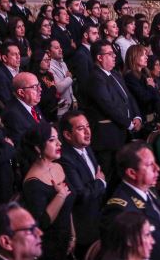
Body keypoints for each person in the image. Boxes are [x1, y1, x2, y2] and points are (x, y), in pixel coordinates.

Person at [101, 141, 160, 260]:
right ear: (132, 173)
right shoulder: (119, 209)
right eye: (150, 165)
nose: (157, 168)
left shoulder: (149, 190)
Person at [85, 40, 141, 180]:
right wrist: (128, 123)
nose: (114, 56)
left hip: (122, 133)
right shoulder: (95, 78)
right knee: (110, 178)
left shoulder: (115, 74)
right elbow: (108, 105)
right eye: (110, 54)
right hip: (108, 139)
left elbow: (129, 97)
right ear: (99, 57)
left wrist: (137, 117)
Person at [21, 122, 76, 260]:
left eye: (58, 138)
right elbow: (42, 223)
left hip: (65, 240)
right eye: (52, 140)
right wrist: (61, 195)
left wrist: (73, 235)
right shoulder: (32, 182)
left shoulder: (58, 167)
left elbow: (68, 209)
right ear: (38, 148)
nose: (59, 144)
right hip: (47, 247)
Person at [58, 111, 106, 259]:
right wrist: (100, 182)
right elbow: (81, 195)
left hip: (97, 220)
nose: (87, 132)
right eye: (80, 128)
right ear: (67, 135)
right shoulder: (65, 159)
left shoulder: (85, 147)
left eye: (88, 126)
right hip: (83, 228)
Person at [2, 72, 44, 148]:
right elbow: (23, 148)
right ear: (21, 92)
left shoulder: (31, 103)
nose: (40, 89)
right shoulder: (12, 115)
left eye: (39, 85)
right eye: (34, 87)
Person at [48, 39, 75, 118]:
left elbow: (68, 86)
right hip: (60, 110)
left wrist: (73, 99)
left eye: (60, 47)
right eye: (56, 48)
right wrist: (69, 78)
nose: (60, 50)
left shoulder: (63, 63)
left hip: (70, 106)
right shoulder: (49, 66)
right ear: (49, 52)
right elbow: (59, 88)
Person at [0, 41, 20, 110]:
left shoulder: (21, 71)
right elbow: (7, 102)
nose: (18, 57)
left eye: (19, 53)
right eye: (14, 54)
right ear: (4, 58)